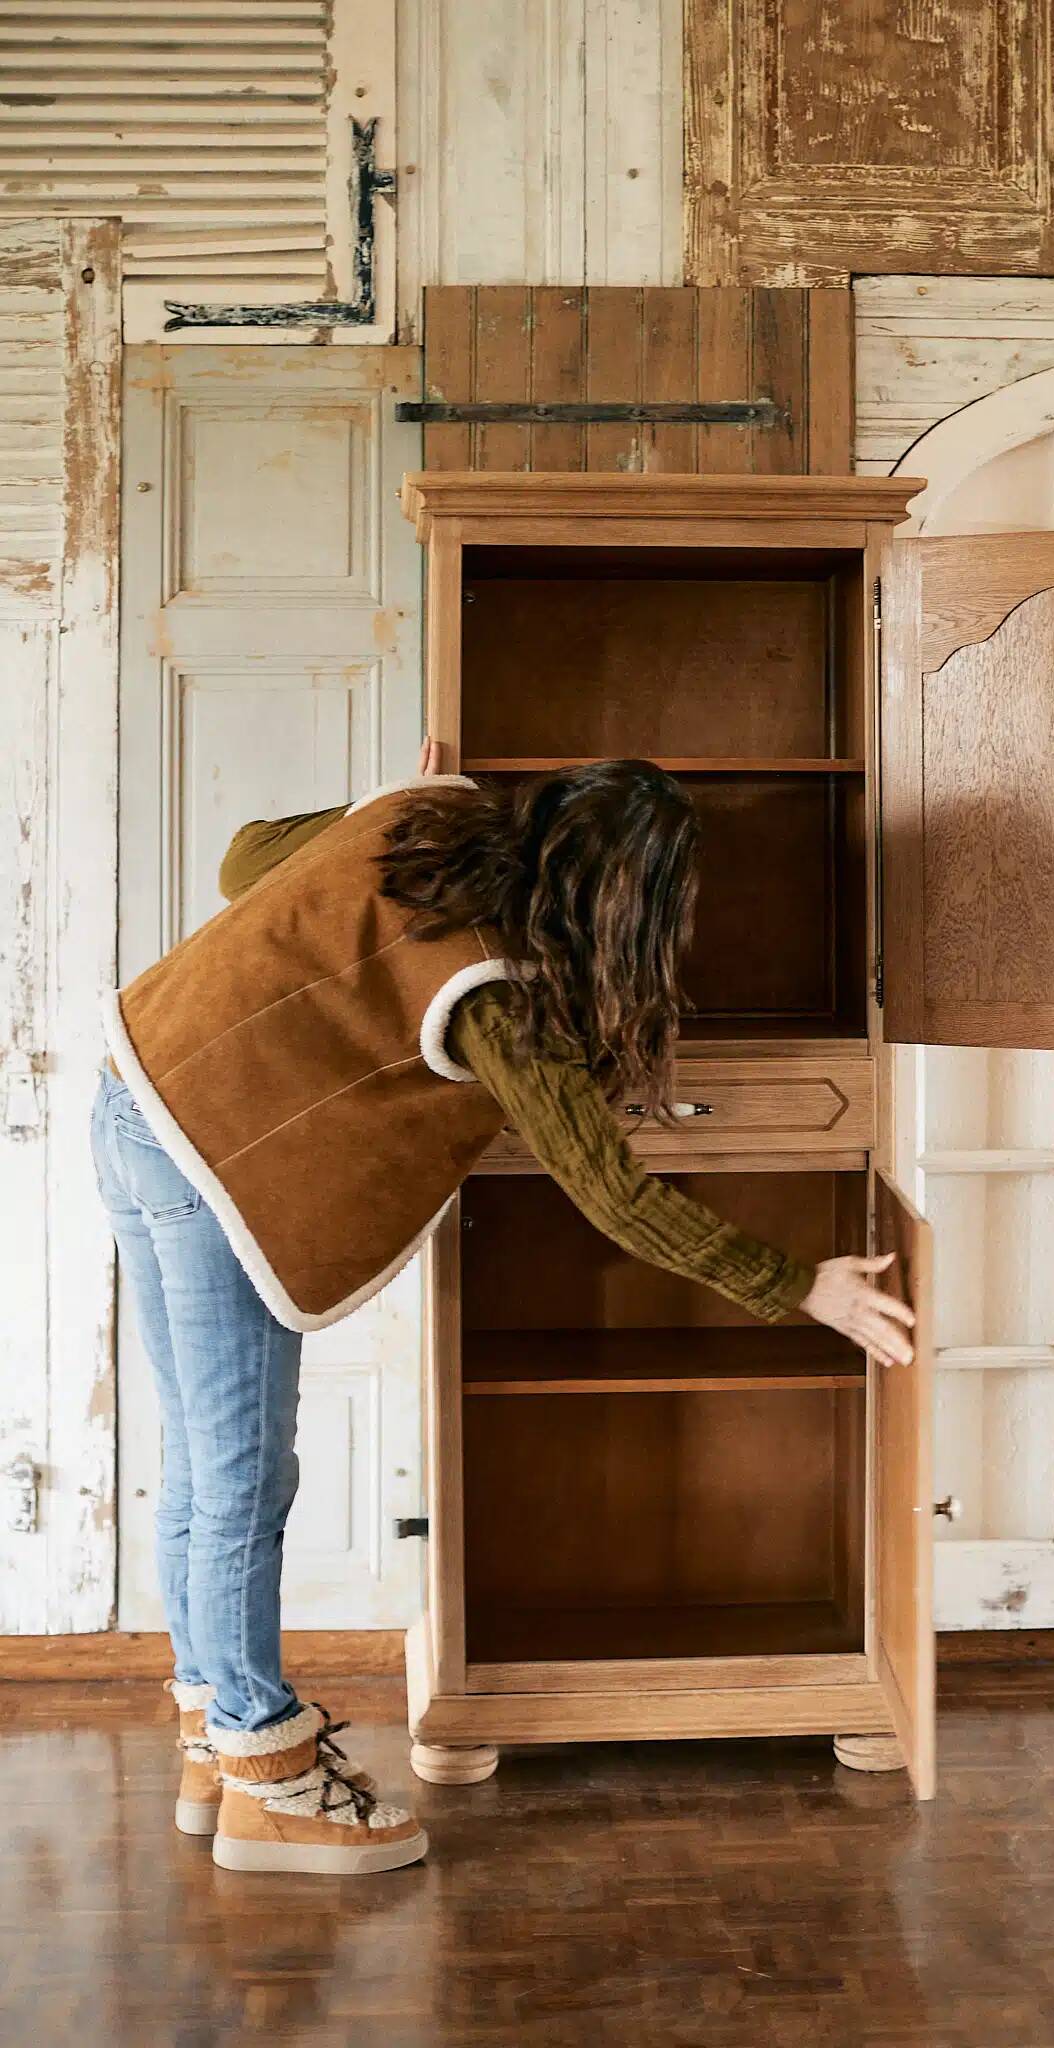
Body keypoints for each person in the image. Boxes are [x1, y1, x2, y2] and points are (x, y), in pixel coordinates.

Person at [93, 752, 914, 1877]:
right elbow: (614, 1194)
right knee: (243, 1476)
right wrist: (800, 1284)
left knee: (203, 1462)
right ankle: (267, 1781)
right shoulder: (498, 994)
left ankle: (213, 1738)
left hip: (130, 1092)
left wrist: (373, 804)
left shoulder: (429, 821)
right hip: (203, 1160)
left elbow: (245, 859)